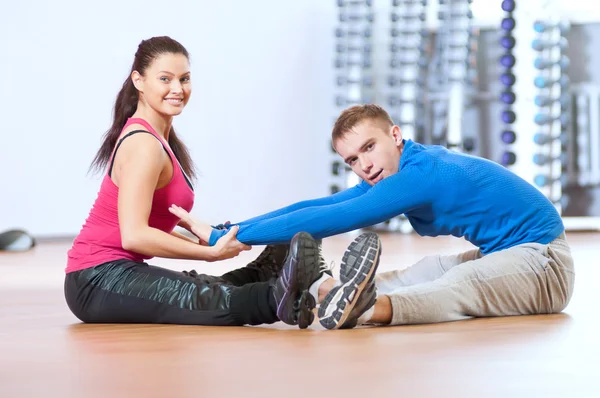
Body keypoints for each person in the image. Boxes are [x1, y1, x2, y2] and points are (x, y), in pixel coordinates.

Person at [171, 104, 575, 330]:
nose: (364, 164)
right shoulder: (401, 167)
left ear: (395, 135)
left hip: (544, 264)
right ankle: (324, 293)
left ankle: (366, 310)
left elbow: (336, 220)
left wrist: (225, 237)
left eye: (369, 147)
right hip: (510, 256)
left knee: (458, 283)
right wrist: (229, 230)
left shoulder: (419, 175)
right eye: (352, 159)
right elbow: (316, 207)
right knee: (424, 270)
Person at [64, 36, 355, 330]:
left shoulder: (159, 140)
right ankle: (285, 295)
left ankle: (267, 271)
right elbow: (135, 236)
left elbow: (144, 229)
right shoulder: (143, 145)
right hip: (95, 279)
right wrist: (208, 254)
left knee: (197, 288)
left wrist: (200, 240)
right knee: (199, 296)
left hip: (113, 272)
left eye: (184, 78)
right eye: (165, 79)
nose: (177, 89)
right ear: (138, 81)